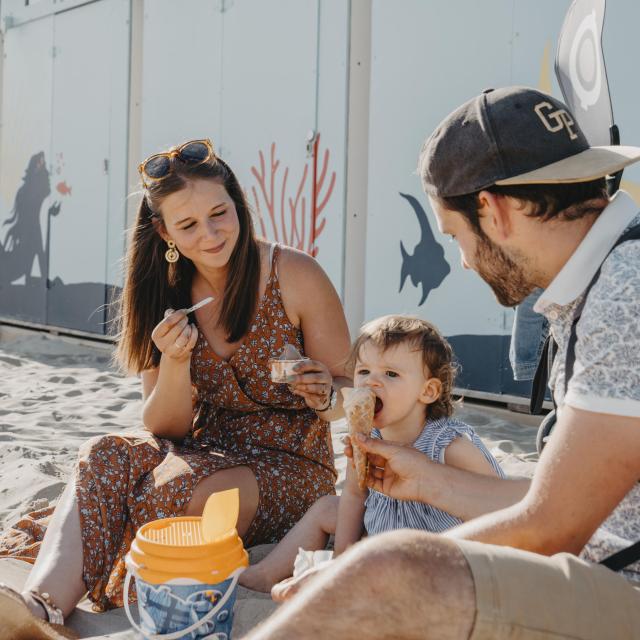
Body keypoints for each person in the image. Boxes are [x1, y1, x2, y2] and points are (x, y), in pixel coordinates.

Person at [241, 87, 640, 639]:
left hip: (621, 588)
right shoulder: (610, 275)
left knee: (382, 573)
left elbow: (553, 527)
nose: (464, 262)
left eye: (454, 235)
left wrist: (357, 573)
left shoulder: (624, 295)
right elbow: (564, 499)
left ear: (492, 210)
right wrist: (431, 483)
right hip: (603, 566)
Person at [0, 138, 351, 637]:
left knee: (169, 491)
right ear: (164, 231)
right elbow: (166, 426)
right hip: (200, 450)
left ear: (238, 204)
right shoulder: (163, 292)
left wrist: (327, 395)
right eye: (187, 225)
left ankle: (98, 571)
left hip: (292, 463)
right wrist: (174, 362)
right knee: (101, 454)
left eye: (219, 214)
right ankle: (42, 607)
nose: (210, 235)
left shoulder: (294, 275)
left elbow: (354, 393)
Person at [239, 314, 504, 592]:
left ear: (427, 391)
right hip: (381, 529)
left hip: (434, 551)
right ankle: (265, 574)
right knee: (327, 507)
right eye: (364, 371)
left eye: (391, 374)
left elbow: (497, 504)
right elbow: (354, 494)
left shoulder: (450, 444)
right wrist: (342, 562)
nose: (371, 383)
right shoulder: (366, 436)